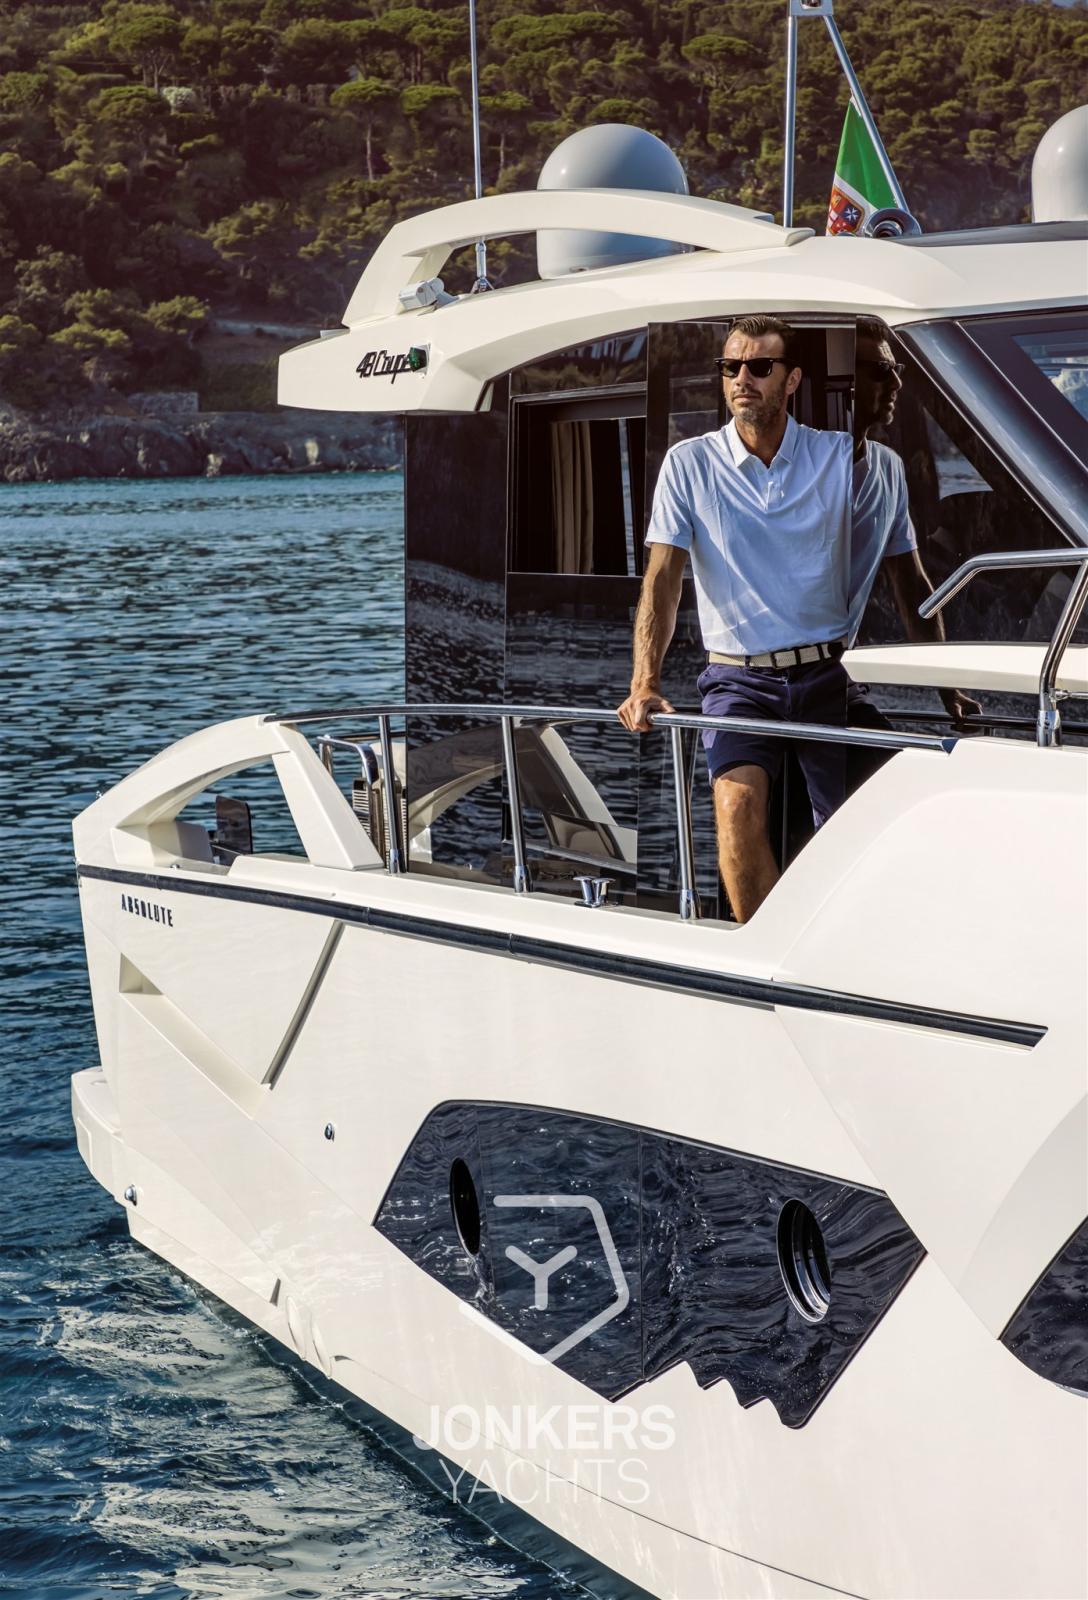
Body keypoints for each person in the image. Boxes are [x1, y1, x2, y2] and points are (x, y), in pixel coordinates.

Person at [617, 315, 863, 923]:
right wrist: (644, 682)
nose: (741, 379)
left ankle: (842, 945)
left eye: (759, 367)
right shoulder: (689, 463)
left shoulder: (837, 456)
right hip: (738, 679)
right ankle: (762, 949)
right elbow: (662, 579)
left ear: (792, 379)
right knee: (735, 806)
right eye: (730, 367)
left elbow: (898, 556)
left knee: (852, 825)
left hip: (826, 675)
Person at [846, 317, 980, 765]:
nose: (897, 383)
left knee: (894, 774)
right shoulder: (798, 467)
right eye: (881, 371)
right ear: (842, 379)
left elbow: (912, 585)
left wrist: (947, 687)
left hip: (835, 681)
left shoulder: (888, 467)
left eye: (897, 369)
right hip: (772, 683)